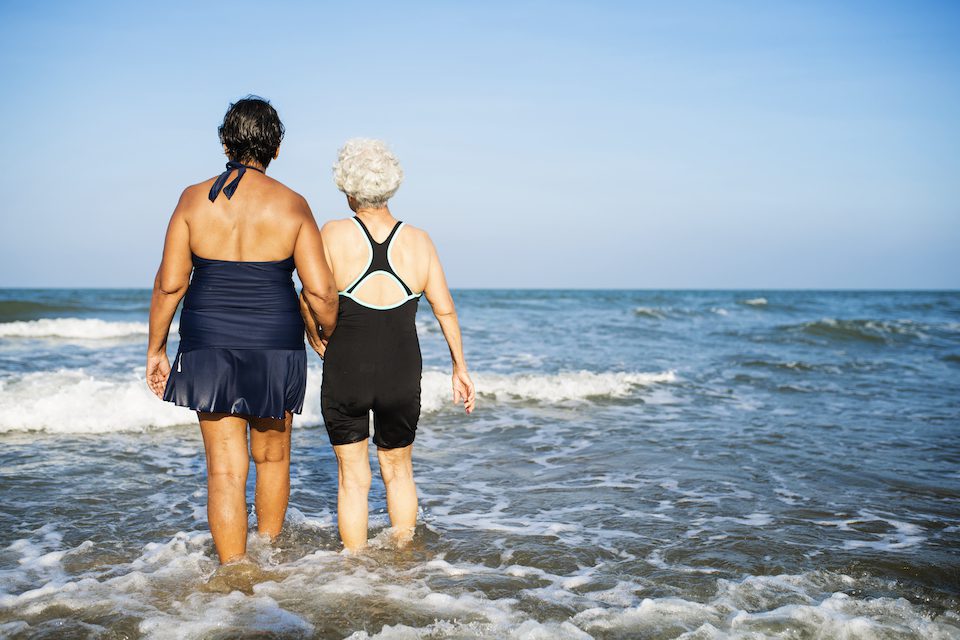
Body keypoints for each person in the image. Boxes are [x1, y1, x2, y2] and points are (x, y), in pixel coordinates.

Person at [146, 96, 338, 565]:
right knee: (271, 458)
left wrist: (156, 348)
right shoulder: (293, 204)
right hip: (275, 342)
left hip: (208, 341)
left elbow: (171, 284)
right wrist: (327, 334)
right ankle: (269, 558)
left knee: (225, 472)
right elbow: (321, 293)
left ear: (225, 142)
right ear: (276, 150)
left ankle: (233, 575)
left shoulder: (192, 198)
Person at [317, 138, 476, 552]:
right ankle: (403, 567)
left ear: (347, 188)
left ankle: (355, 570)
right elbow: (445, 309)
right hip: (401, 371)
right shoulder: (420, 241)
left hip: (346, 367)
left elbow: (313, 298)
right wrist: (461, 368)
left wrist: (313, 335)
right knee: (399, 470)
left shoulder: (333, 234)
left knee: (353, 478)